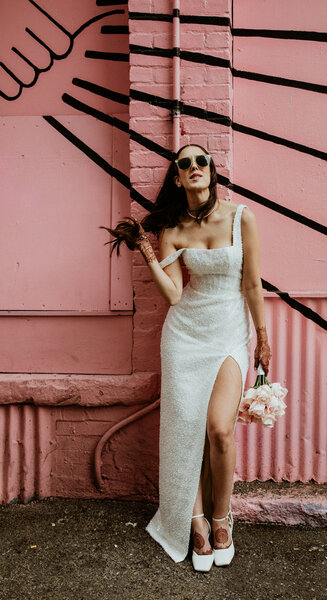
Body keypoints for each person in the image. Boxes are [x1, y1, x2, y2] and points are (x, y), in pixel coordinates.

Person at [100, 143, 271, 571]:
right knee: (184, 429)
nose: (195, 168)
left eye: (202, 162)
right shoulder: (172, 228)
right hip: (184, 336)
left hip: (230, 333)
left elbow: (251, 285)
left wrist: (263, 337)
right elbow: (175, 294)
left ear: (212, 172)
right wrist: (145, 248)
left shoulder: (240, 217)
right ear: (178, 177)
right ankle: (194, 522)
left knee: (218, 429)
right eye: (185, 163)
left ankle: (221, 518)